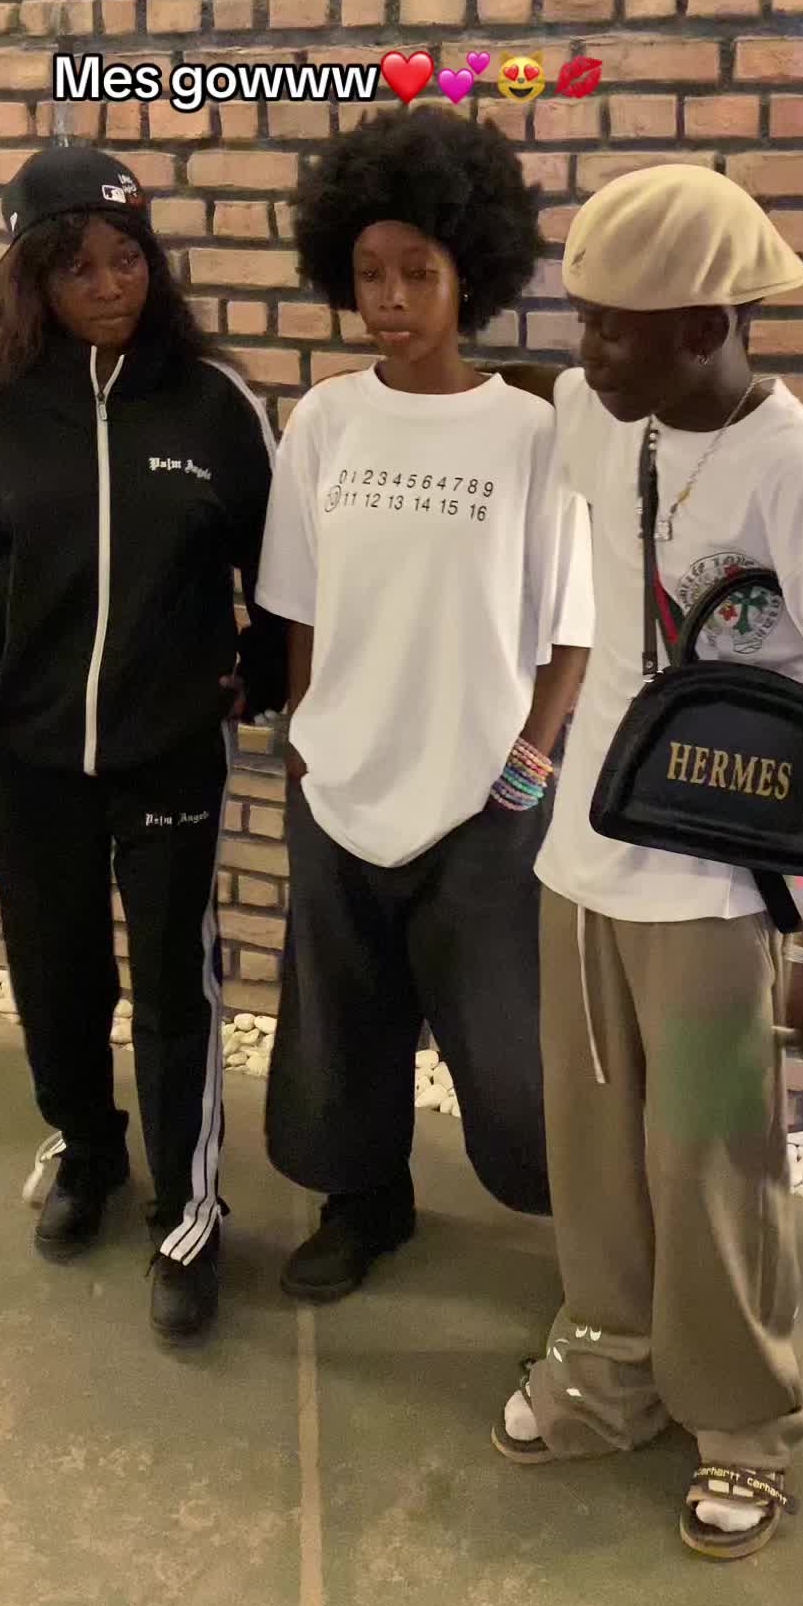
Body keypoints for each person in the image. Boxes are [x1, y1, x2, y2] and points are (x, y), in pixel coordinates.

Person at [491, 166, 803, 1560]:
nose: (587, 350)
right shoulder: (595, 413)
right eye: (583, 321)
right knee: (593, 1155)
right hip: (580, 875)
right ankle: (611, 1372)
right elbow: (515, 391)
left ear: (708, 325)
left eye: (614, 326)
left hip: (721, 906)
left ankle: (742, 1424)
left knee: (716, 1166)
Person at [257, 107, 593, 1302]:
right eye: (369, 274)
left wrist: (534, 758)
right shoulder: (325, 422)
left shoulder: (534, 432)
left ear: (471, 274)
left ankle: (591, 1242)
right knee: (339, 1021)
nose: (391, 299)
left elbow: (574, 622)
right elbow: (299, 602)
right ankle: (363, 1206)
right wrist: (304, 735)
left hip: (486, 793)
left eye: (418, 272)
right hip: (341, 780)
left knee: (510, 1043)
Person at [0, 145, 286, 1341]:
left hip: (168, 753)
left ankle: (188, 1212)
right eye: (79, 268)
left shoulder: (213, 402)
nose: (111, 286)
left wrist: (261, 671)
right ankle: (88, 1151)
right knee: (53, 977)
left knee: (171, 991)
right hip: (32, 754)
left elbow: (282, 568)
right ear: (33, 280)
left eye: (128, 258)